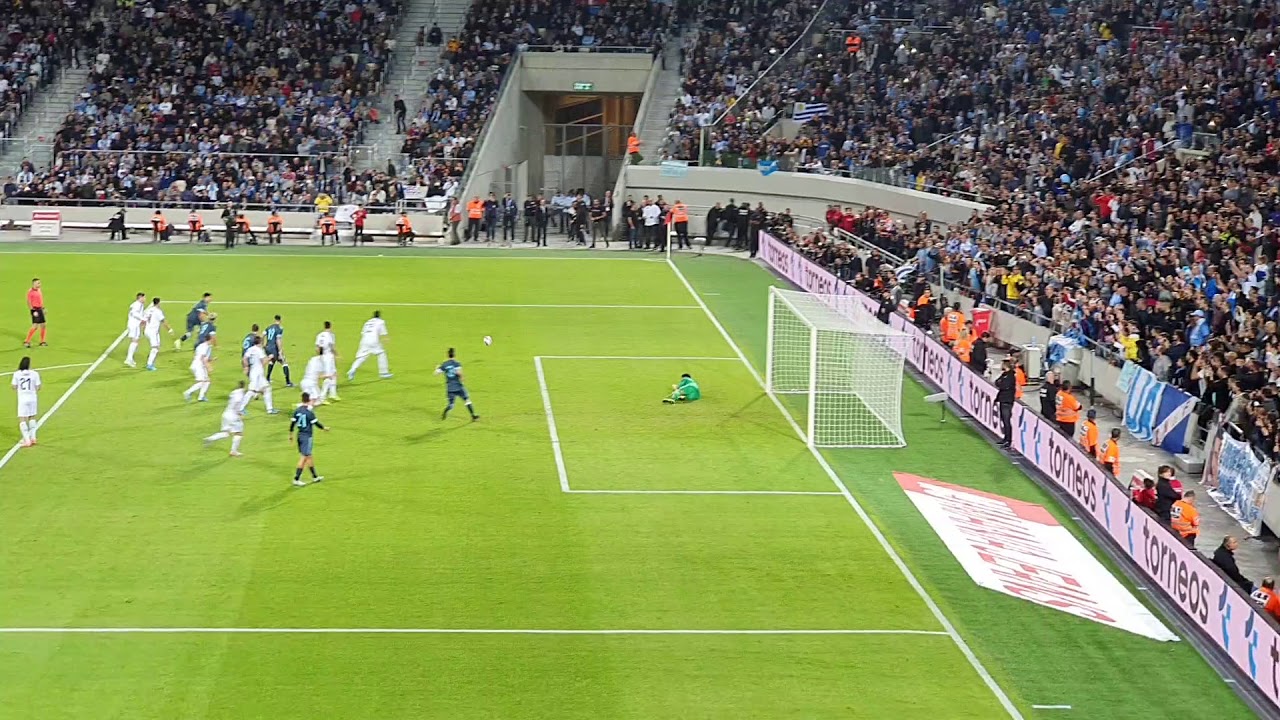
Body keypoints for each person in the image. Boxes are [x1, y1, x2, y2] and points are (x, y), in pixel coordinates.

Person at [289, 393, 328, 487]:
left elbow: (292, 424)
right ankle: (296, 479)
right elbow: (316, 423)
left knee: (309, 456)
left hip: (299, 435)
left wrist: (290, 435)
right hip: (307, 436)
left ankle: (315, 477)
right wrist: (324, 428)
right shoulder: (309, 413)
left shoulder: (297, 411)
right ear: (309, 400)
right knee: (304, 457)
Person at [204, 381, 247, 457]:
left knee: (226, 433)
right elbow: (237, 404)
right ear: (243, 387)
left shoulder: (234, 392)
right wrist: (240, 413)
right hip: (233, 416)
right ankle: (234, 451)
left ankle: (210, 439)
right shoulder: (240, 395)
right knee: (239, 433)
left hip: (226, 414)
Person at [436, 347, 479, 420]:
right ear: (454, 355)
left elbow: (436, 373)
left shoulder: (445, 364)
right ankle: (473, 416)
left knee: (451, 404)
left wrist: (437, 368)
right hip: (458, 386)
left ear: (448, 355)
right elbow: (458, 372)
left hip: (450, 388)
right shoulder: (456, 363)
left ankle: (445, 412)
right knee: (467, 400)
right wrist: (462, 377)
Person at [347, 310, 392, 380]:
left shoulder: (367, 322)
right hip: (373, 340)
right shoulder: (381, 321)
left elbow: (362, 332)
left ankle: (352, 369)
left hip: (364, 340)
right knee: (381, 353)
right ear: (379, 316)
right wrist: (386, 338)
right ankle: (383, 373)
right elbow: (383, 333)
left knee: (361, 357)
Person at [239, 335, 277, 415]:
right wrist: (270, 357)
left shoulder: (250, 349)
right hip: (257, 372)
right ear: (260, 342)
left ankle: (269, 409)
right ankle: (240, 408)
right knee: (251, 391)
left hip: (254, 371)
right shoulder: (259, 350)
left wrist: (246, 367)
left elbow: (244, 358)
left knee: (267, 388)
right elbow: (263, 362)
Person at [12, 356, 40, 448]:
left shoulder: (16, 374)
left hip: (23, 399)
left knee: (22, 418)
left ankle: (27, 440)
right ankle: (33, 438)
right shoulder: (35, 374)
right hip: (32, 398)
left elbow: (14, 387)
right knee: (32, 417)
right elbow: (38, 387)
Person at [142, 297, 174, 371]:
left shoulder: (148, 310)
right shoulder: (158, 311)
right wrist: (170, 330)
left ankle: (150, 358)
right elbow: (163, 321)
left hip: (147, 331)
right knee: (155, 348)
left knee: (157, 345)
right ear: (159, 303)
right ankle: (149, 364)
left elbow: (143, 321)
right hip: (153, 332)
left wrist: (143, 330)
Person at [315, 321, 340, 404]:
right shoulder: (330, 335)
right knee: (328, 376)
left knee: (334, 373)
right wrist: (337, 355)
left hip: (323, 357)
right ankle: (322, 397)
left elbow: (317, 348)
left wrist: (320, 357)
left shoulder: (320, 335)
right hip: (329, 357)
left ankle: (333, 393)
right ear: (330, 326)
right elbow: (332, 347)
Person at [183, 336, 214, 403]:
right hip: (198, 366)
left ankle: (201, 397)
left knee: (207, 381)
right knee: (201, 382)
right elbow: (202, 358)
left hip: (199, 365)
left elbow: (200, 356)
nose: (213, 340)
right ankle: (187, 392)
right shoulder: (205, 347)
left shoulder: (201, 346)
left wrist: (212, 359)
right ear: (210, 339)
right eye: (212, 339)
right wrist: (208, 367)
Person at [994, 359, 1016, 447]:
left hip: (1007, 401)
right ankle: (1005, 438)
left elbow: (1004, 386)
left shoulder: (1010, 376)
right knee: (1004, 420)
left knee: (1006, 421)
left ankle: (1008, 440)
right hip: (1003, 399)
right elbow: (997, 382)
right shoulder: (1005, 375)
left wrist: (1001, 384)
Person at [264, 315, 291, 387]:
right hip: (274, 348)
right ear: (280, 320)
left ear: (274, 320)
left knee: (272, 361)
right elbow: (278, 340)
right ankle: (288, 382)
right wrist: (280, 351)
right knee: (284, 362)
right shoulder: (279, 329)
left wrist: (263, 346)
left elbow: (262, 335)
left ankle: (267, 378)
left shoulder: (269, 327)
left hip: (267, 348)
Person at [124, 292, 147, 367]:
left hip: (133, 324)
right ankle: (128, 359)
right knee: (135, 341)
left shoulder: (136, 304)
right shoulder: (138, 304)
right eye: (144, 297)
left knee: (135, 341)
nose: (145, 299)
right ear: (140, 298)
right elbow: (134, 313)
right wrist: (142, 319)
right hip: (134, 325)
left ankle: (130, 358)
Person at [24, 278, 46, 348]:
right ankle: (27, 342)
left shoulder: (39, 290)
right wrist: (32, 310)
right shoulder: (30, 292)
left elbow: (40, 300)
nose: (39, 284)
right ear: (34, 284)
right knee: (35, 326)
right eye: (38, 283)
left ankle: (42, 342)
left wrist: (43, 308)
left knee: (43, 325)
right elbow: (28, 302)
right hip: (35, 309)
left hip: (40, 309)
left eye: (39, 283)